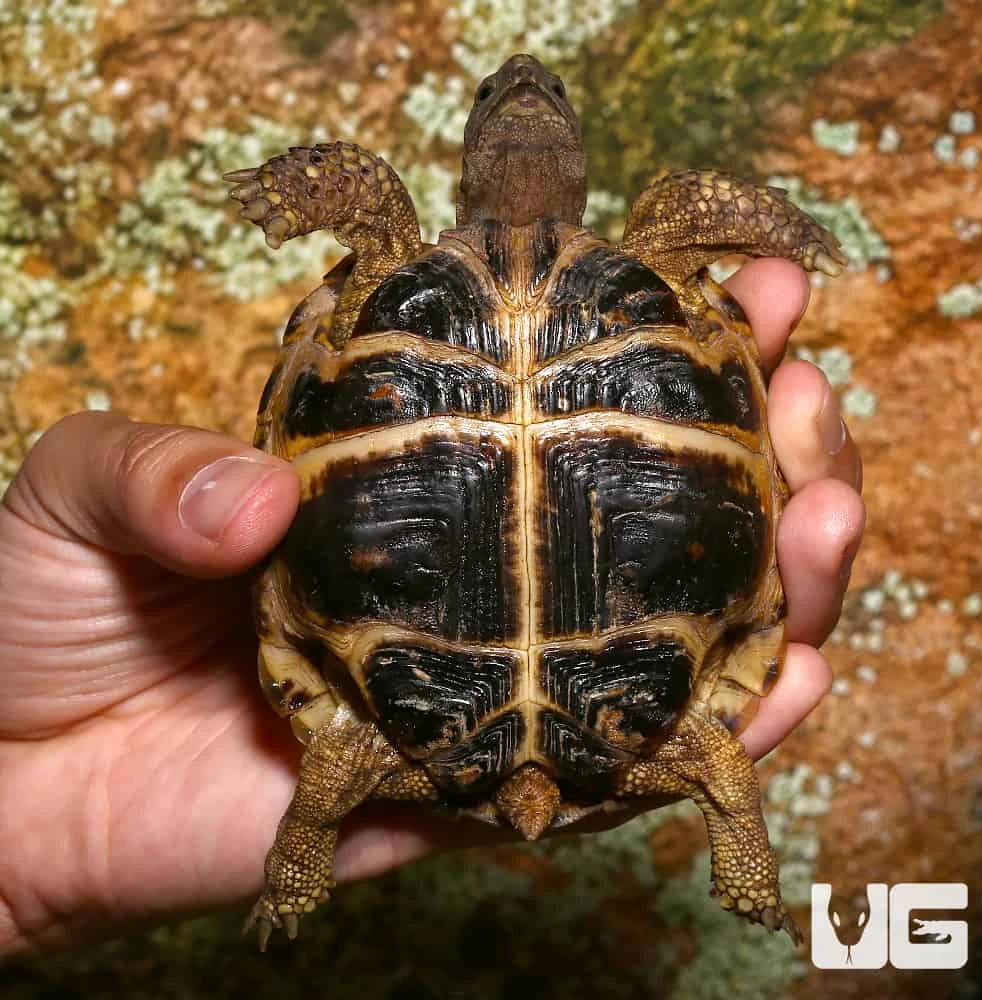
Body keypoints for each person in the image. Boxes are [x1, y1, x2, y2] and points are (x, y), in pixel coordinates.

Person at [0, 260, 864, 956]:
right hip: (625, 718)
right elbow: (717, 763)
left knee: (341, 763)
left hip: (419, 720)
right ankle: (747, 877)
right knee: (715, 756)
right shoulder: (656, 260)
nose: (528, 818)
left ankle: (299, 870)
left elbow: (332, 773)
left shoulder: (389, 266)